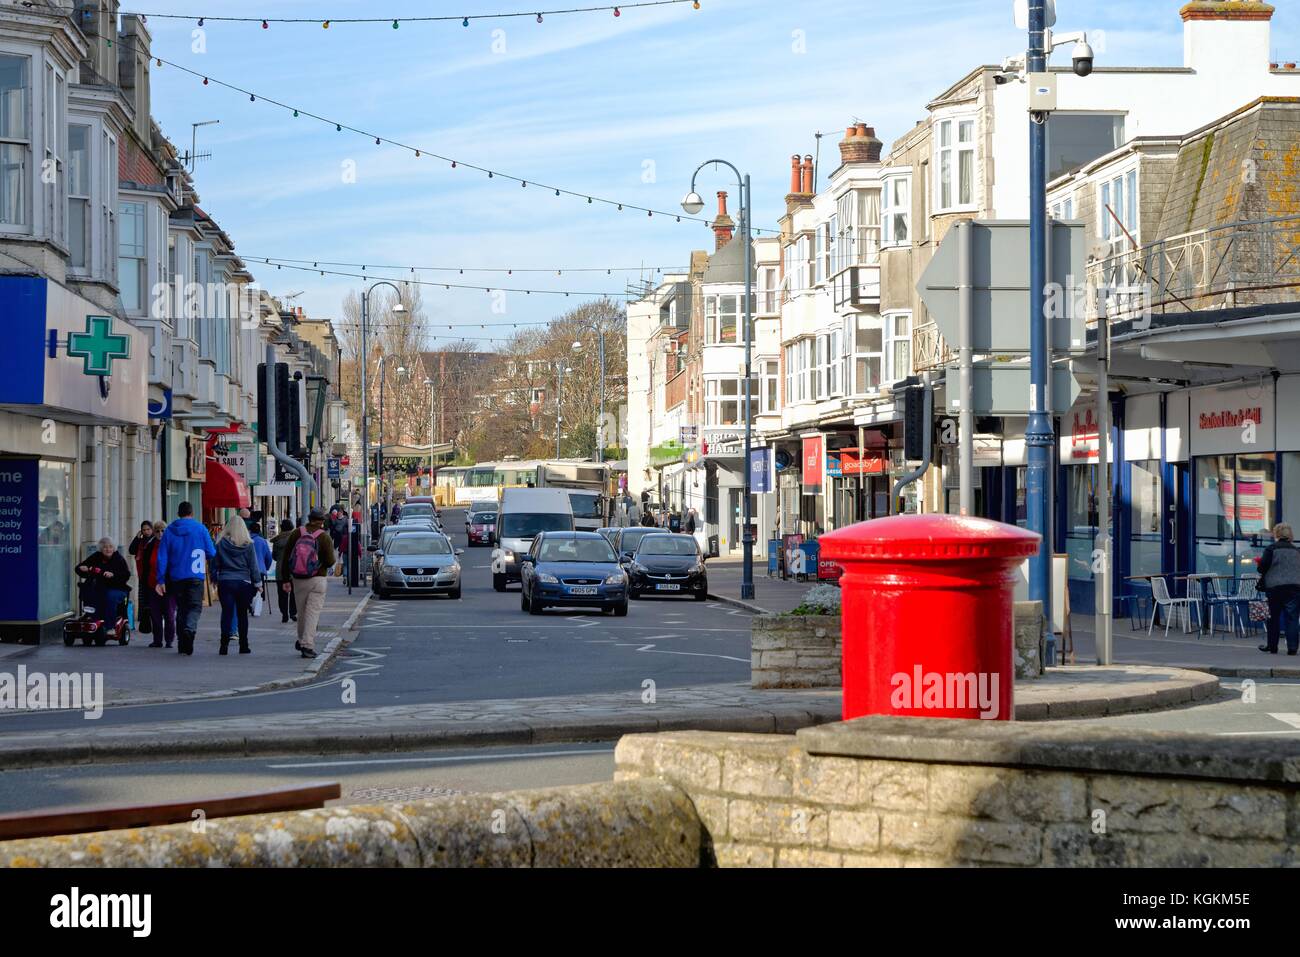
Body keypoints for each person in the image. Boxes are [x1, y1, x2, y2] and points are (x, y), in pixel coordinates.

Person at [155, 501, 216, 656]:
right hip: (195, 575)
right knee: (194, 607)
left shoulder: (169, 531)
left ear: (178, 513)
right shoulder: (200, 529)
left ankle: (183, 644)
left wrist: (160, 580)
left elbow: (162, 557)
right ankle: (190, 629)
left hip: (177, 576)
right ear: (192, 513)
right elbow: (211, 552)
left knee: (181, 609)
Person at [277, 506, 336, 659]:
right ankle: (307, 645)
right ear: (322, 521)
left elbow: (286, 557)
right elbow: (330, 561)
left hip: (298, 580)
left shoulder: (297, 533)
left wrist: (285, 579)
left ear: (309, 519)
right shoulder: (324, 537)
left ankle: (301, 640)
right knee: (313, 614)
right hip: (318, 579)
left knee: (302, 613)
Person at [212, 514, 262, 655]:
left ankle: (224, 645)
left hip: (226, 581)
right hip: (244, 582)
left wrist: (215, 579)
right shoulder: (248, 544)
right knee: (242, 615)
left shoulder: (220, 543)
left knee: (227, 613)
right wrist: (258, 583)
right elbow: (253, 566)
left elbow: (215, 564)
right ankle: (244, 645)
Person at [1259, 522, 1300, 656]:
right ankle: (1292, 648)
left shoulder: (1271, 549)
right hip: (1294, 587)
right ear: (1290, 535)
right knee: (1292, 618)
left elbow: (1262, 567)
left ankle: (1272, 647)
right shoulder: (1296, 551)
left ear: (1276, 534)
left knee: (1273, 618)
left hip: (1275, 587)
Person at [75, 537, 132, 634]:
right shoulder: (96, 556)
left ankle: (110, 627)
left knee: (110, 596)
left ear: (114, 548)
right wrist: (82, 568)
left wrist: (113, 575)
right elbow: (80, 567)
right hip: (101, 587)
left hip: (118, 588)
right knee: (88, 591)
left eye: (110, 547)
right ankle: (91, 616)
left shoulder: (118, 559)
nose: (108, 549)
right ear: (101, 549)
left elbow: (126, 575)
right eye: (105, 547)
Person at [129, 520, 165, 647]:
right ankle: (150, 628)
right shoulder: (142, 542)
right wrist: (136, 537)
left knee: (158, 608)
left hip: (157, 579)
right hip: (144, 577)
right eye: (144, 530)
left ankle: (161, 633)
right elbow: (131, 550)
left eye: (148, 529)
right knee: (147, 605)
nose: (146, 532)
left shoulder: (155, 542)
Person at [150, 521, 177, 647]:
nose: (160, 533)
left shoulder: (172, 545)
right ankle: (157, 640)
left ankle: (169, 639)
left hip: (169, 585)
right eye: (157, 531)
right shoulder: (150, 546)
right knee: (155, 615)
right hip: (152, 584)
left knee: (169, 614)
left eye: (163, 530)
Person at [270, 519, 298, 623]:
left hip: (280, 570)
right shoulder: (296, 539)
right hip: (294, 569)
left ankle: (284, 614)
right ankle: (293, 613)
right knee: (294, 593)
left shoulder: (277, 541)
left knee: (282, 594)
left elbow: (274, 557)